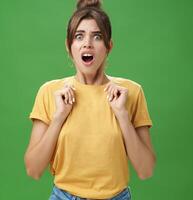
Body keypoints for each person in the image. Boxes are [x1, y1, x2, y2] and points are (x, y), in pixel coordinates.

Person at [24, 0, 156, 199]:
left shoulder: (130, 92)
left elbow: (145, 170)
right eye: (79, 36)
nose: (87, 43)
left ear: (109, 46)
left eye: (97, 36)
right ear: (69, 46)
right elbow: (33, 169)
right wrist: (59, 117)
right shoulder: (50, 92)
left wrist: (122, 115)